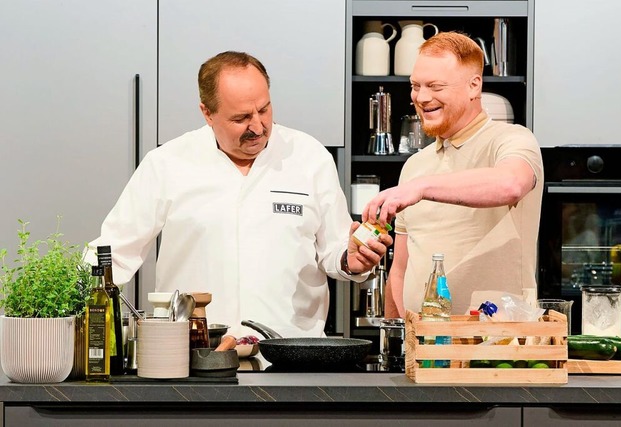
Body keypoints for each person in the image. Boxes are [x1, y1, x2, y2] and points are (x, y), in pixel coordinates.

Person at [88, 51, 391, 338]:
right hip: (195, 352)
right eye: (241, 118)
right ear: (207, 113)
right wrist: (60, 295)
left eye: (264, 109)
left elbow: (335, 250)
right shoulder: (167, 163)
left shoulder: (310, 157)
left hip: (290, 352)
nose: (258, 127)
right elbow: (113, 251)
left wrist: (353, 260)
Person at [362, 32, 543, 317]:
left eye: (435, 86)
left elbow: (511, 183)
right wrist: (396, 342)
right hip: (421, 349)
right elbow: (401, 269)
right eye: (415, 86)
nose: (421, 97)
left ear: (474, 86)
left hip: (496, 347)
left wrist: (421, 188)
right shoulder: (415, 166)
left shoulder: (512, 140)